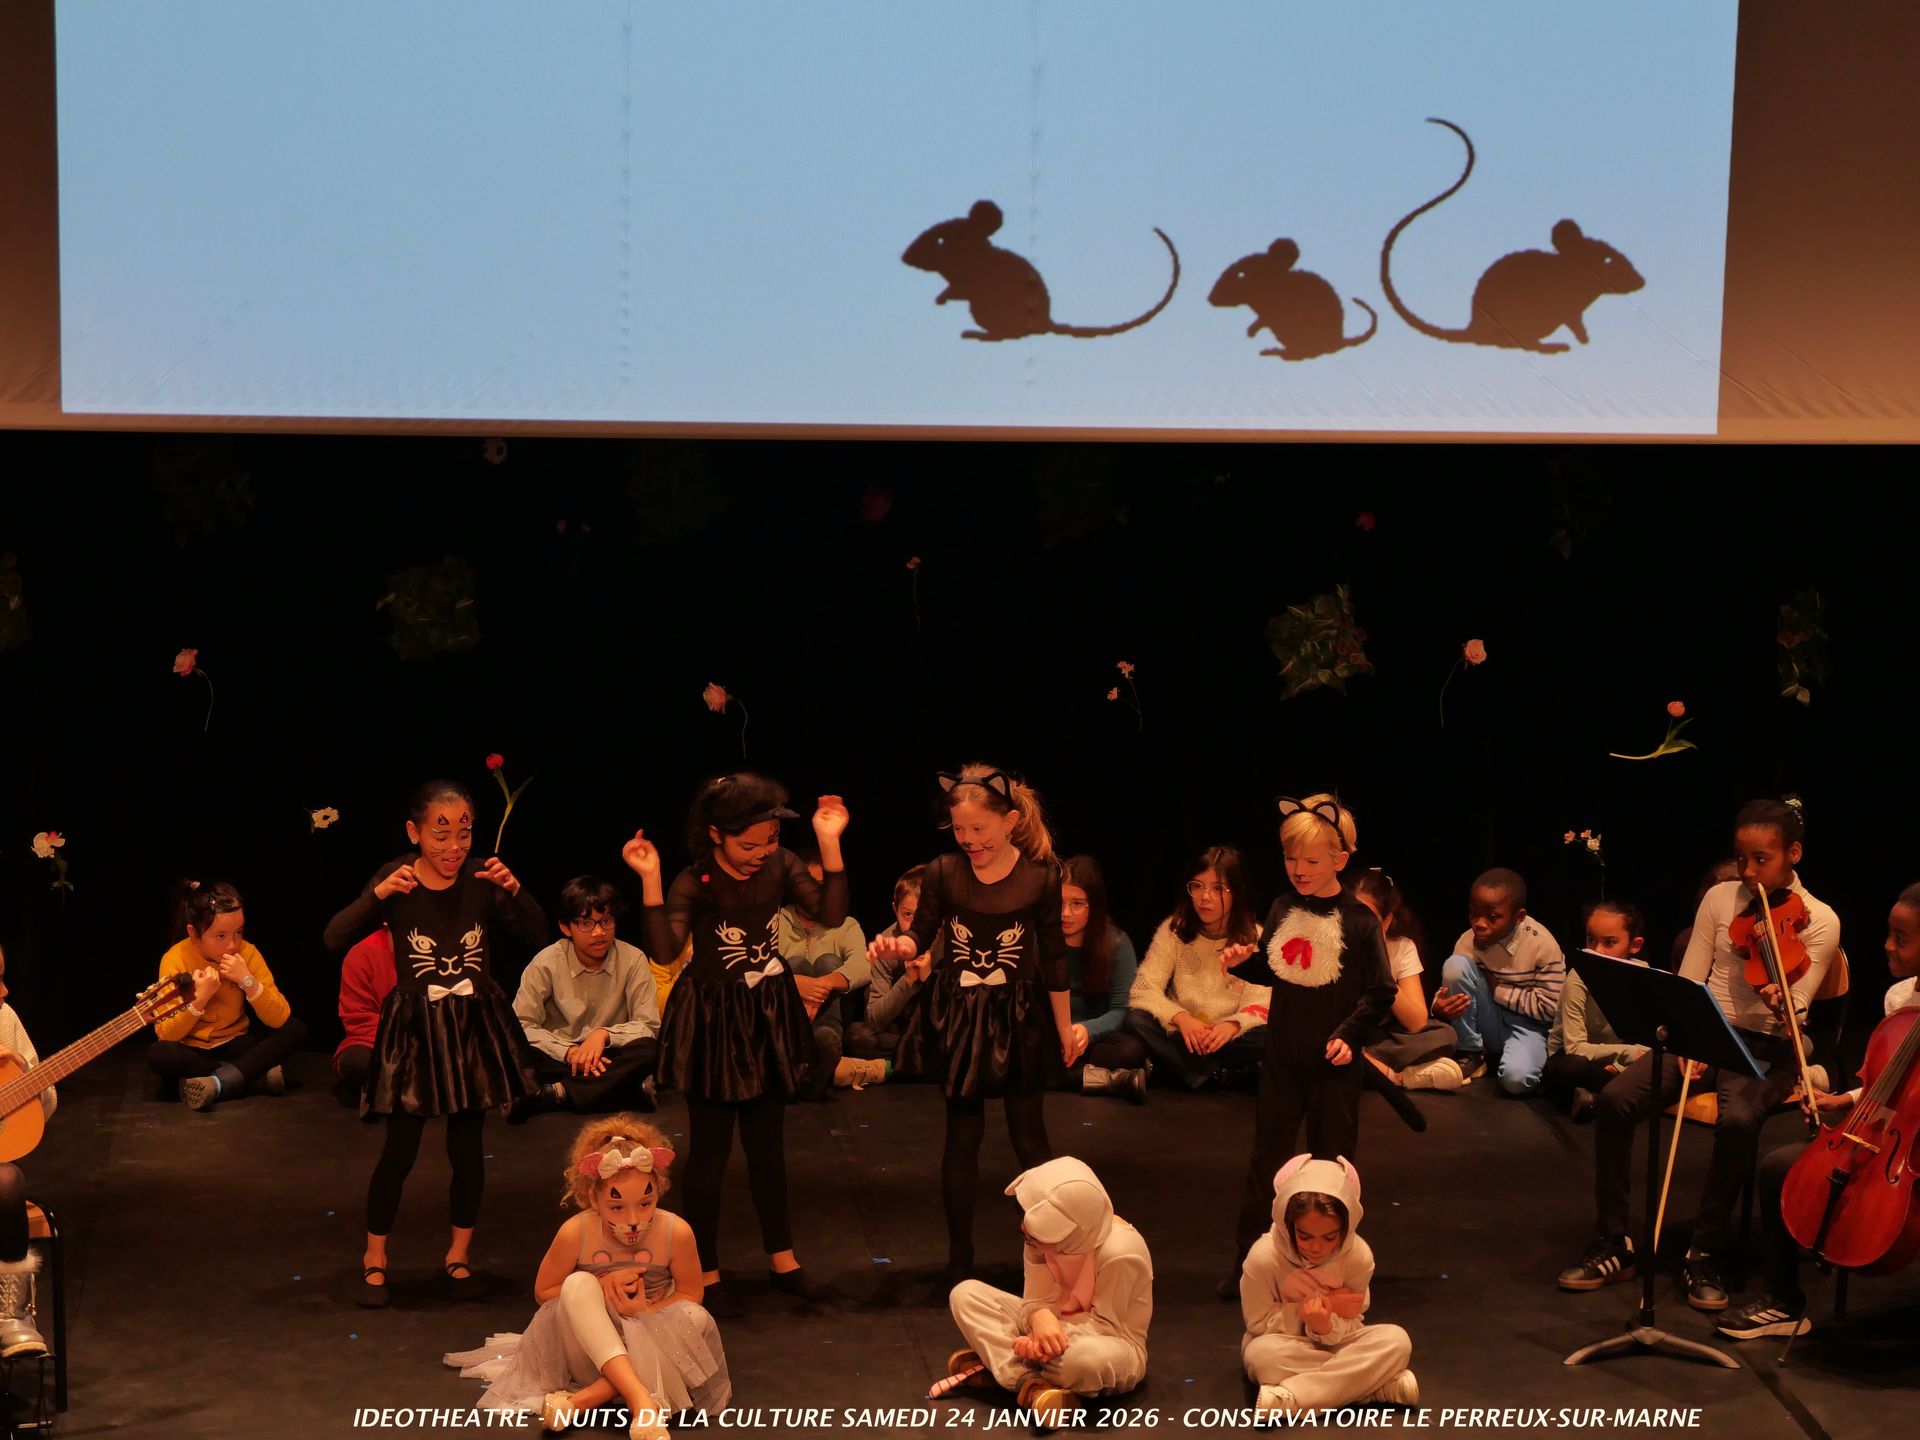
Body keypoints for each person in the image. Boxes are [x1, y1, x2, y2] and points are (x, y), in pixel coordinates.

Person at [1558, 797, 1839, 1311]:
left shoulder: (1819, 920)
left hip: (1767, 1046)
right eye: (1741, 859)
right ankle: (1614, 1241)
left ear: (1793, 854)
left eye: (1762, 860)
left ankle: (1704, 1250)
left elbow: (1797, 1011)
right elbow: (1691, 980)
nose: (1748, 873)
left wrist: (1781, 1001)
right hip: (1705, 1030)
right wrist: (1689, 1036)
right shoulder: (1719, 900)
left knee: (1737, 1122)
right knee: (1616, 1098)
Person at [625, 773, 849, 1315]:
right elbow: (664, 947)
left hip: (765, 1012)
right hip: (712, 1017)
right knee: (710, 1152)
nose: (761, 853)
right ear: (716, 835)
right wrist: (651, 879)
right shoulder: (695, 879)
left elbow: (831, 914)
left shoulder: (780, 866)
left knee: (768, 1148)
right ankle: (704, 1272)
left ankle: (784, 1261)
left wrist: (829, 841)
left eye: (769, 841)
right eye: (749, 844)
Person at [323, 779, 548, 1308]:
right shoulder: (396, 879)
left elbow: (538, 935)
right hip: (416, 1032)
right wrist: (376, 896)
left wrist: (516, 890)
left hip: (471, 1026)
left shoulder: (482, 878)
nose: (453, 847)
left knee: (467, 1150)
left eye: (463, 833)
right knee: (399, 1149)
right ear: (414, 832)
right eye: (440, 834)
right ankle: (375, 1258)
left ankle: (458, 1256)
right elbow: (333, 937)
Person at [873, 765, 1080, 1287]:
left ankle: (1051, 1254)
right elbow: (921, 933)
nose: (969, 841)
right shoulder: (944, 871)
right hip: (961, 1013)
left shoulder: (1040, 877)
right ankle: (959, 1258)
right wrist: (903, 947)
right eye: (959, 830)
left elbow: (1054, 958)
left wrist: (1065, 1028)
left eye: (978, 830)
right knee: (962, 1137)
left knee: (1030, 1140)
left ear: (1009, 822)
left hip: (1017, 1015)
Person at [1714, 881, 1920, 1340]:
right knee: (1779, 1167)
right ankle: (1784, 1300)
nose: (1887, 945)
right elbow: (1884, 1084)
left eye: (1901, 939)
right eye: (1889, 933)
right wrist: (1844, 1101)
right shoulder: (1898, 1000)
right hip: (1892, 1139)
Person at [445, 1116, 728, 1440]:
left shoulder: (675, 1231)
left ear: (659, 1191)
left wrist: (646, 1314)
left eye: (646, 1204)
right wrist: (601, 1290)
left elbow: (692, 1293)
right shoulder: (576, 1232)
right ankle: (640, 1399)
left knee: (696, 1318)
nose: (634, 1220)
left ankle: (582, 1402)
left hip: (657, 1349)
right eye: (617, 1207)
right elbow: (544, 1292)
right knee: (577, 1283)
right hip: (592, 1352)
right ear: (594, 1198)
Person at [1222, 796, 1395, 1292]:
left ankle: (1333, 1271)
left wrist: (1349, 1036)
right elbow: (1279, 969)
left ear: (1340, 861)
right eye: (1291, 859)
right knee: (1267, 1161)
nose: (1298, 870)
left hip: (1332, 1064)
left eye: (1311, 861)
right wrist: (1243, 961)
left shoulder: (1359, 922)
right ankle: (1249, 1265)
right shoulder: (1282, 907)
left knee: (1331, 1168)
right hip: (1282, 1056)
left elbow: (1380, 992)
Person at [938, 1157, 1151, 1433]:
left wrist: (1042, 1340)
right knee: (966, 1295)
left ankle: (1008, 1370)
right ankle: (1034, 1387)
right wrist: (1039, 1320)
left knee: (1082, 1362)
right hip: (1050, 1332)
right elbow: (1036, 1301)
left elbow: (1107, 1327)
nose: (1026, 1234)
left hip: (1106, 1343)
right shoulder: (1038, 1238)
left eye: (1035, 1233)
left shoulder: (1121, 1252)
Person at [1240, 1154, 1417, 1416]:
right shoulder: (1264, 1257)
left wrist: (1325, 1326)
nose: (1316, 1247)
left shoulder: (1358, 1256)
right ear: (1288, 1226)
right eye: (1305, 1236)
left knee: (1397, 1340)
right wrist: (1305, 1314)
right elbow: (1256, 1323)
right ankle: (1373, 1387)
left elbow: (1355, 1317)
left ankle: (1294, 1399)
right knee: (1261, 1356)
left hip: (1341, 1342)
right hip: (1285, 1345)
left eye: (1329, 1237)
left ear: (1345, 1228)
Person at [149, 880, 307, 1110]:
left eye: (239, 932)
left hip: (235, 1042)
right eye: (220, 936)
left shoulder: (248, 953)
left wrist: (248, 981)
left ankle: (219, 1082)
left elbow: (279, 1017)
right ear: (194, 933)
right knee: (161, 1053)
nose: (233, 945)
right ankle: (249, 1074)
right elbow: (166, 1033)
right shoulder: (175, 958)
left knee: (295, 1028)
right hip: (192, 1049)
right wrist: (199, 999)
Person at [1124, 847, 1269, 1091]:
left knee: (1270, 1034)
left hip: (1226, 1036)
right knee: (1135, 1018)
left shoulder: (1254, 936)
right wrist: (1181, 1018)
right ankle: (1216, 1075)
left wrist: (1232, 1025)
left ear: (1237, 892)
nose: (1204, 897)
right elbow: (1143, 989)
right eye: (1197, 886)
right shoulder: (1174, 929)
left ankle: (1185, 1071)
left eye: (1217, 889)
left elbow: (1262, 1001)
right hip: (1184, 1031)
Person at [515, 877, 662, 1117]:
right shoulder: (546, 962)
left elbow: (648, 1025)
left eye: (606, 921)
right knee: (517, 1051)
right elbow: (521, 1024)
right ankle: (626, 1089)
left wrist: (603, 1035)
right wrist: (570, 1051)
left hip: (610, 1053)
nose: (599, 932)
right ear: (565, 927)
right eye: (586, 923)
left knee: (650, 1049)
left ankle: (559, 1094)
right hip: (562, 1056)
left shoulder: (633, 959)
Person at [1434, 868, 1564, 1094]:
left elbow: (1551, 1009)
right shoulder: (1468, 941)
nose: (1480, 923)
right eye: (1474, 914)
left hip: (1527, 1026)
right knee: (1456, 965)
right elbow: (1453, 984)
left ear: (1518, 917)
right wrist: (1438, 1004)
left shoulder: (1542, 945)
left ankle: (1518, 1058)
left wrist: (1499, 991)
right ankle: (1471, 1052)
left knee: (1516, 1081)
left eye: (1492, 917)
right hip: (1489, 1019)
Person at [776, 843, 878, 1098]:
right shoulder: (776, 921)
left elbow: (863, 965)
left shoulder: (845, 924)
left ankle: (823, 1043)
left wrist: (823, 984)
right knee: (794, 964)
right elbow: (759, 964)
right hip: (786, 1021)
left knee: (828, 961)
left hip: (828, 1018)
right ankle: (799, 1054)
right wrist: (795, 983)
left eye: (822, 886)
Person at [1349, 869, 1459, 1093]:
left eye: (1368, 920)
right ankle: (1398, 1077)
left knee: (1445, 1035)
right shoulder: (1330, 945)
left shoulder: (1401, 948)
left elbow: (1416, 1021)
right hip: (1343, 1034)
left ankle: (1366, 1064)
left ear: (1386, 921)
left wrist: (1380, 972)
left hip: (1379, 1041)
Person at [1542, 900, 1649, 1122]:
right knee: (1571, 1068)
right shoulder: (1579, 977)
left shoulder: (1643, 976)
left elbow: (1648, 1037)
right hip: (1578, 1059)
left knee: (1659, 1064)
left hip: (1618, 1064)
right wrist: (1628, 1055)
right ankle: (1609, 1096)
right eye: (1592, 940)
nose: (1597, 950)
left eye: (1609, 942)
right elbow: (1575, 1047)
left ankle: (1595, 1098)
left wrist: (1619, 1067)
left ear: (1634, 945)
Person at [1057, 856, 1149, 1102]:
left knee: (1130, 1050)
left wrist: (1088, 1030)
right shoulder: (1042, 940)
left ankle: (1073, 1073)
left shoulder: (1116, 943)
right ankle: (1109, 1080)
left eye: (1077, 904)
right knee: (1021, 1050)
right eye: (1060, 903)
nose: (1066, 913)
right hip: (1053, 1034)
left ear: (1093, 905)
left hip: (1095, 1038)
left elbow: (1120, 1009)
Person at [0, 942, 54, 1358]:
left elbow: (46, 1101)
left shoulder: (4, 1018)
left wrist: (20, 1072)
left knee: (7, 1181)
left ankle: (11, 1314)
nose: (3, 992)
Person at [845, 865, 924, 1064]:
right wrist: (907, 980)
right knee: (858, 1037)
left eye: (924, 915)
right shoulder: (886, 946)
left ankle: (895, 1068)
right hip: (901, 1034)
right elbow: (874, 1018)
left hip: (940, 1033)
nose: (915, 924)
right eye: (907, 915)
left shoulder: (947, 940)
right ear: (895, 909)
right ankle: (924, 1065)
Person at [335, 927, 396, 1104]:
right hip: (377, 1039)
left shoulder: (441, 950)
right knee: (356, 1062)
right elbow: (358, 1018)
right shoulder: (362, 954)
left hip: (426, 1040)